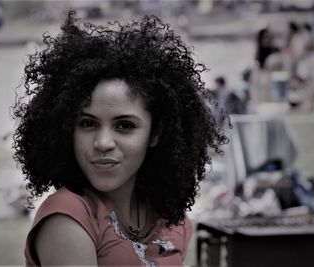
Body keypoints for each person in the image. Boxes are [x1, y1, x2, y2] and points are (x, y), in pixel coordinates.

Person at [13, 11, 227, 266]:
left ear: (156, 133)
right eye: (88, 123)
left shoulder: (174, 220)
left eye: (124, 125)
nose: (103, 143)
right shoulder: (68, 217)